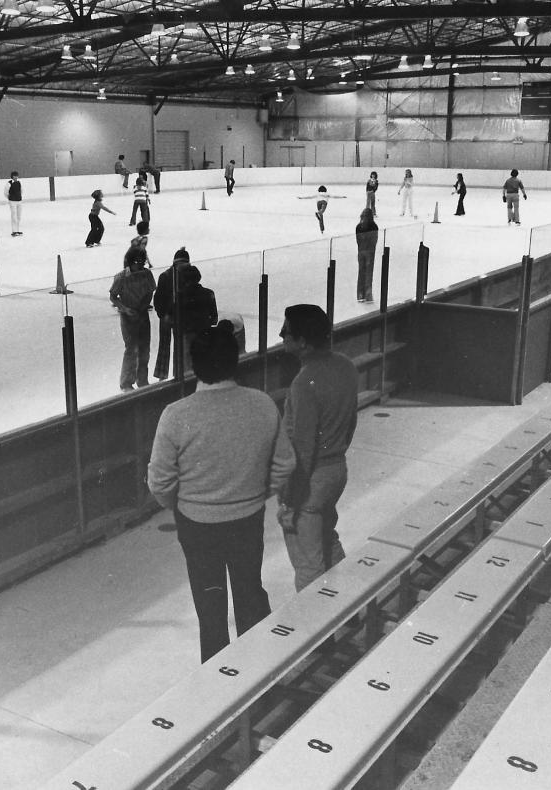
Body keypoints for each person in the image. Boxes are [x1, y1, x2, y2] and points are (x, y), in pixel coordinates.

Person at [147, 320, 296, 662]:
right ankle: (257, 674)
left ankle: (218, 684)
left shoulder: (175, 415)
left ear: (192, 365)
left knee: (210, 605)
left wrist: (186, 505)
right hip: (246, 519)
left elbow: (160, 482)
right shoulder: (261, 404)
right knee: (249, 593)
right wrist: (256, 494)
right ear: (236, 360)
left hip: (197, 526)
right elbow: (285, 462)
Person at [277, 304, 359, 592]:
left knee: (308, 563)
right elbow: (351, 423)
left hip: (311, 481)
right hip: (337, 470)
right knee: (328, 540)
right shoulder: (346, 366)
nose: (281, 335)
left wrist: (289, 499)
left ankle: (317, 632)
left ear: (303, 341)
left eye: (286, 331)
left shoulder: (303, 383)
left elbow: (302, 449)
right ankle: (349, 613)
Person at [110, 245, 157, 391]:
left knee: (144, 348)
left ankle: (142, 379)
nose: (141, 265)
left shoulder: (147, 274)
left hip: (142, 314)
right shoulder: (121, 277)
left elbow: (151, 291)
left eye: (143, 262)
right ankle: (126, 382)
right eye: (137, 262)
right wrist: (125, 309)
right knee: (131, 349)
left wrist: (144, 305)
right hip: (128, 317)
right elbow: (113, 296)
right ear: (130, 262)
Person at [153, 247, 190, 381]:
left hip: (180, 315)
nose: (183, 268)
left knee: (179, 346)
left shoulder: (187, 275)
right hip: (167, 315)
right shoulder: (165, 276)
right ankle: (161, 375)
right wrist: (163, 315)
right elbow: (158, 299)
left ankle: (177, 372)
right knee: (165, 344)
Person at [177, 264, 218, 369]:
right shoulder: (208, 293)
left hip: (187, 335)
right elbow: (214, 319)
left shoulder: (180, 296)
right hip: (205, 333)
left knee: (188, 366)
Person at [355, 208, 378, 303]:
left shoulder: (358, 227)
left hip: (361, 251)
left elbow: (358, 240)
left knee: (361, 273)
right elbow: (374, 240)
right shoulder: (374, 226)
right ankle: (368, 294)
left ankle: (360, 294)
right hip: (370, 252)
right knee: (369, 273)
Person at [5, 171, 23, 236]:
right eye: (14, 176)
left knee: (19, 216)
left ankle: (17, 230)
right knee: (14, 216)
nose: (16, 177)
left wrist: (19, 197)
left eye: (16, 176)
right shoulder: (9, 183)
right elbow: (6, 192)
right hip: (12, 201)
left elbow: (21, 191)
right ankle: (14, 231)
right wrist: (10, 198)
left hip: (19, 201)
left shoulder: (19, 182)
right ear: (12, 176)